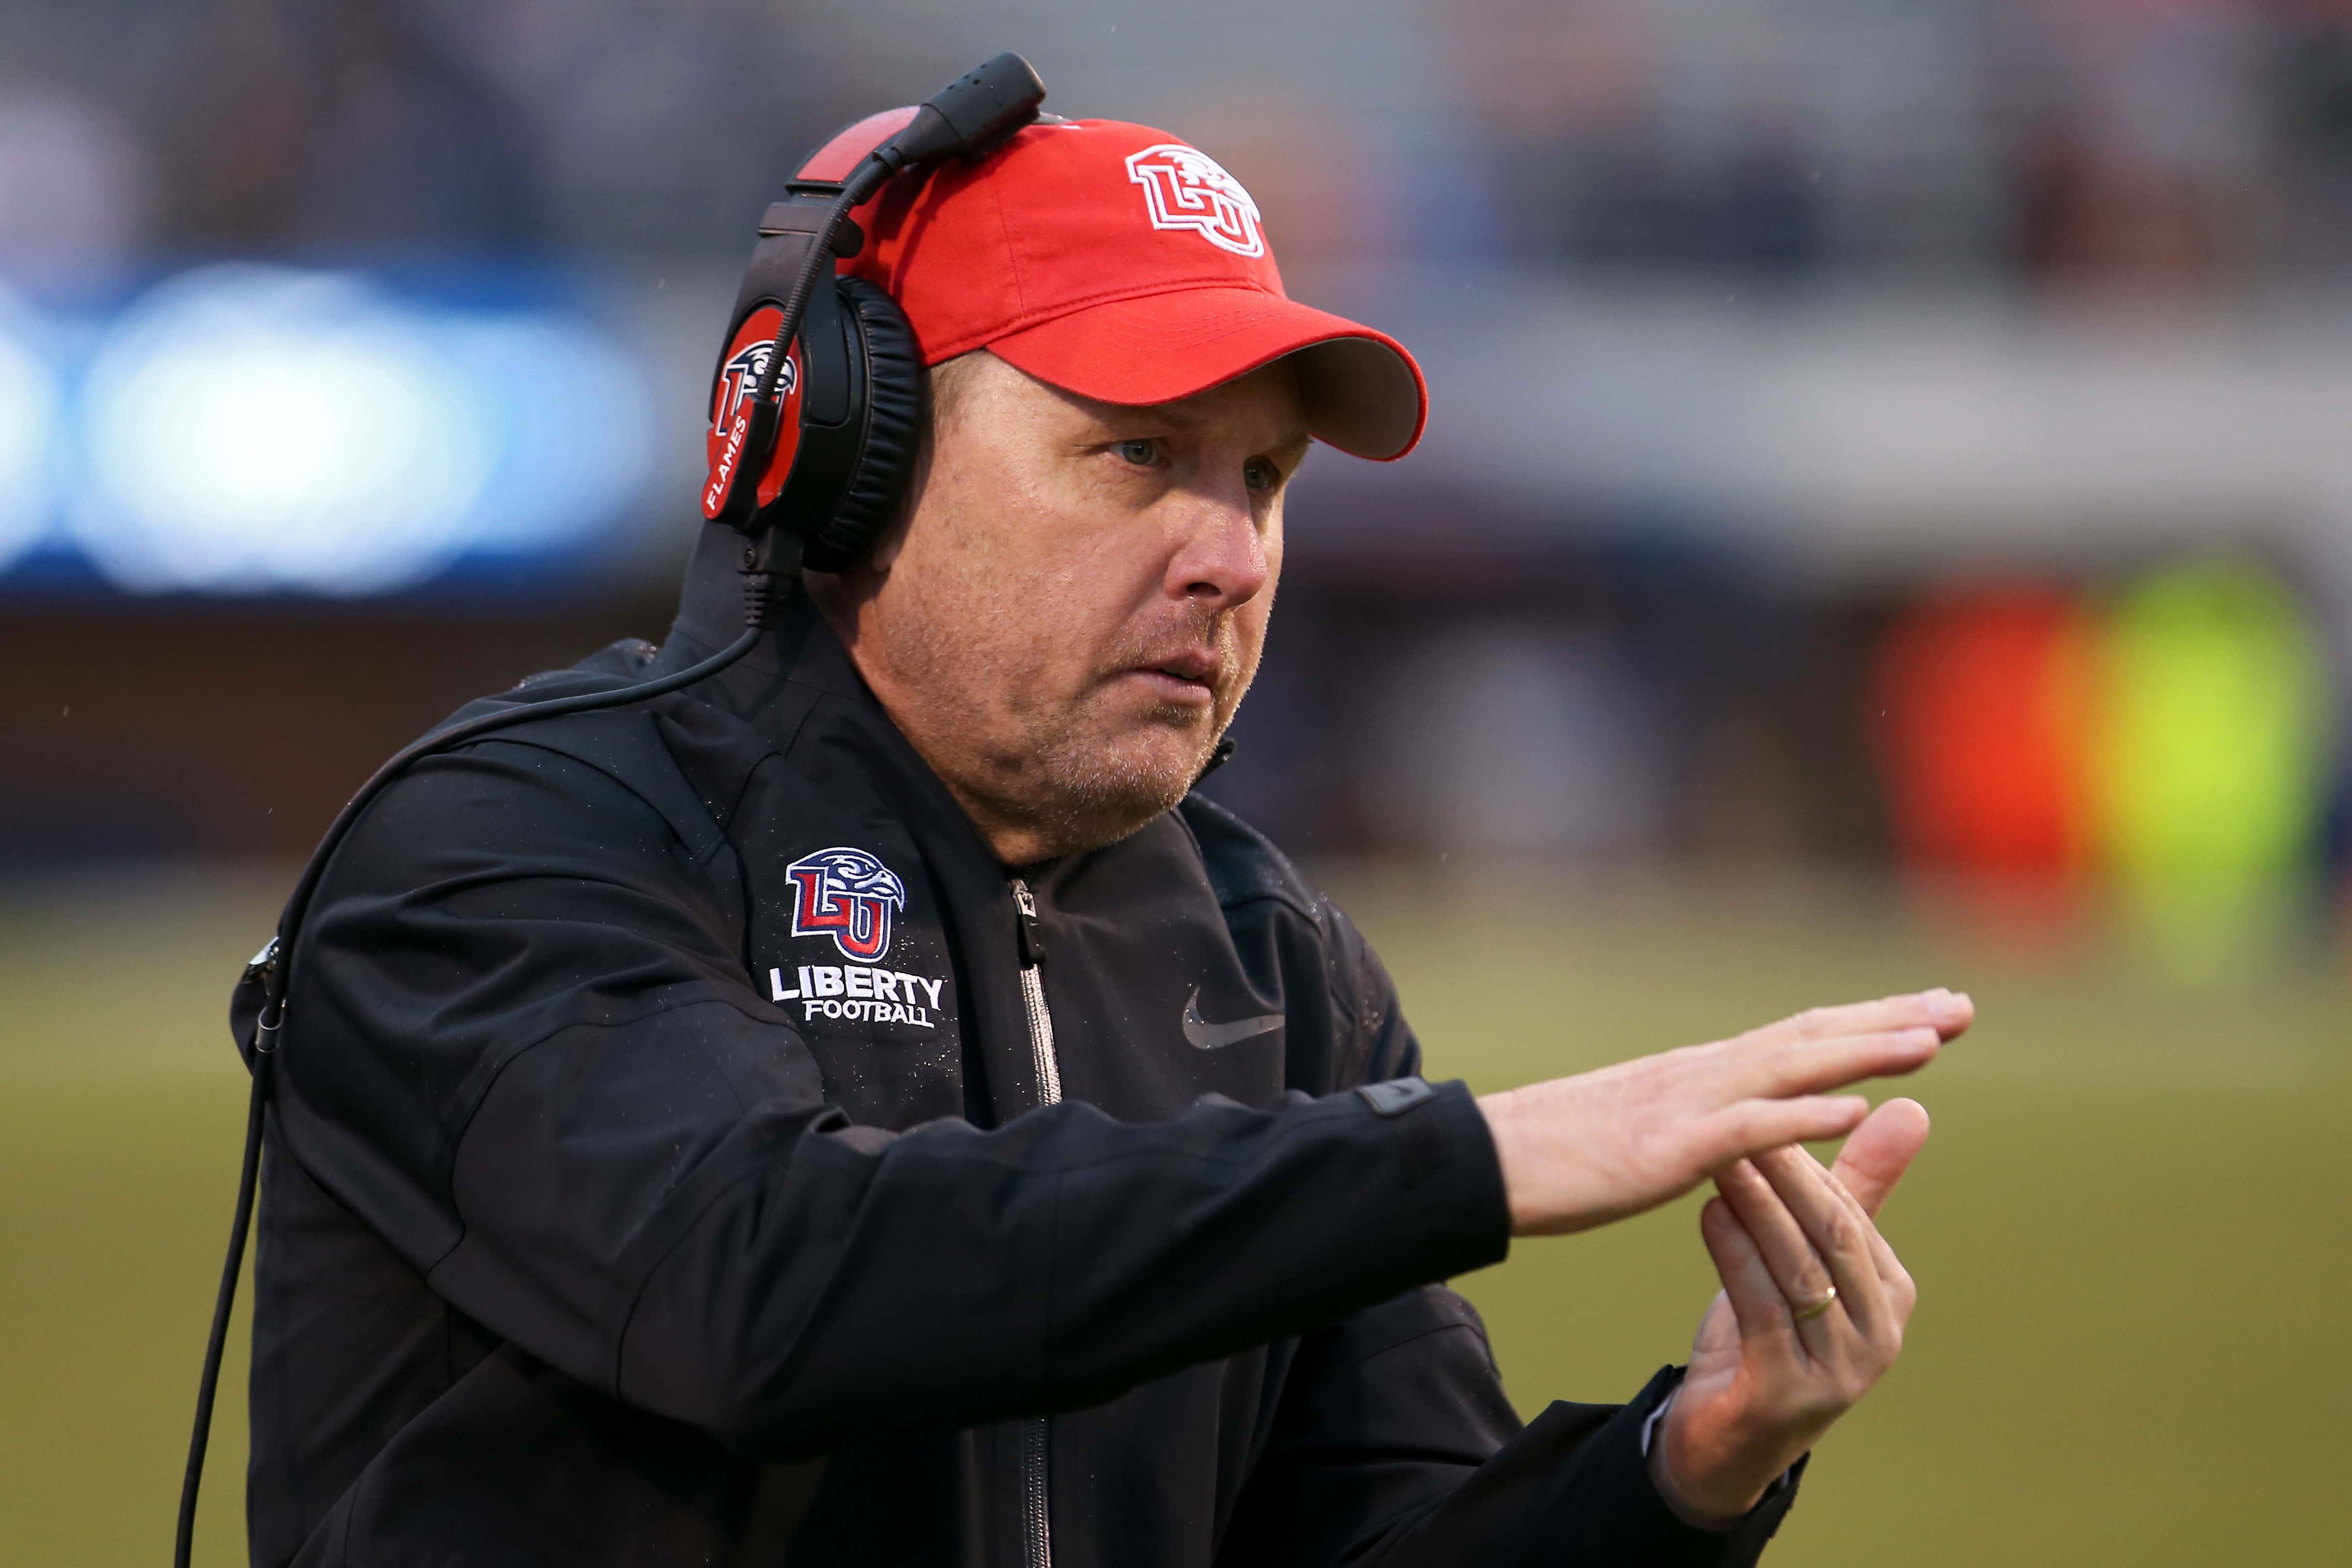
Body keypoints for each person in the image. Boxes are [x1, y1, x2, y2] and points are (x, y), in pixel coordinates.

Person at [239, 110, 1969, 1567]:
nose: (1231, 554)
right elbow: (758, 1282)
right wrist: (1464, 1163)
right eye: (1138, 455)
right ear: (849, 454)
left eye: (1265, 478)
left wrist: (1682, 1472)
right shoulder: (513, 841)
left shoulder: (1268, 954)